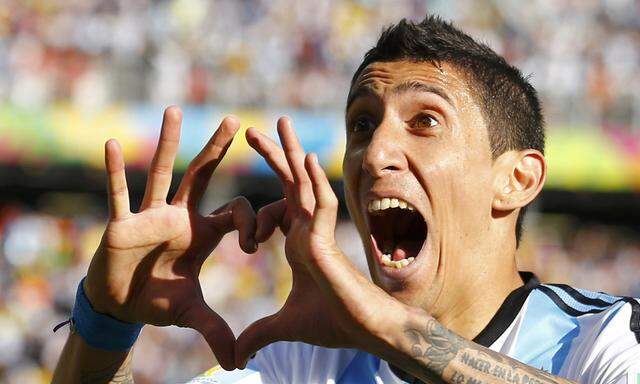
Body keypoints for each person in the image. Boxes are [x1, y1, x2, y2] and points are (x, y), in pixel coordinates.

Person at [53, 15, 640, 384]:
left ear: (516, 179)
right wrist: (104, 326)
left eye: (425, 121)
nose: (375, 151)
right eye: (362, 124)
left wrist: (393, 332)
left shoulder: (605, 339)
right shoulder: (303, 365)